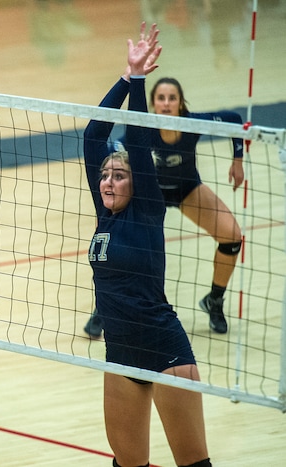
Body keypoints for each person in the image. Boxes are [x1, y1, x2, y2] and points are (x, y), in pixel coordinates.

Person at [84, 23, 211, 467]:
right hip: (119, 353)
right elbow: (91, 136)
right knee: (126, 463)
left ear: (138, 183)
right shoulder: (105, 215)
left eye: (118, 175)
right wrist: (123, 76)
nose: (107, 181)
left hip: (163, 347)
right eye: (104, 175)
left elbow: (137, 139)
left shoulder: (147, 209)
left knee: (193, 463)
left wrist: (140, 81)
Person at [84, 75, 244, 338]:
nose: (167, 104)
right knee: (117, 244)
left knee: (232, 236)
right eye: (161, 98)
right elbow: (108, 147)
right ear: (153, 104)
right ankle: (103, 308)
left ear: (181, 104)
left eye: (172, 98)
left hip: (186, 190)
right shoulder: (140, 134)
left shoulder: (190, 123)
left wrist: (237, 160)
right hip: (147, 200)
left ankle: (214, 300)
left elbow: (234, 121)